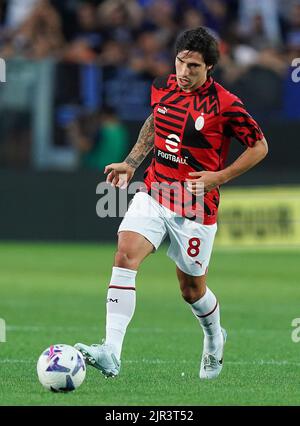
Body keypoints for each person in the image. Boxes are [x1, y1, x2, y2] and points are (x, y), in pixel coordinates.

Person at [75, 26, 268, 380]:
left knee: (191, 290)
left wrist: (218, 176)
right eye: (180, 62)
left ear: (209, 67)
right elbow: (155, 120)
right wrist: (131, 163)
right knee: (125, 253)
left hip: (195, 207)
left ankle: (214, 337)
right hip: (154, 191)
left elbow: (259, 146)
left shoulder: (227, 105)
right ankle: (111, 352)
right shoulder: (163, 87)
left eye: (193, 66)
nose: (184, 71)